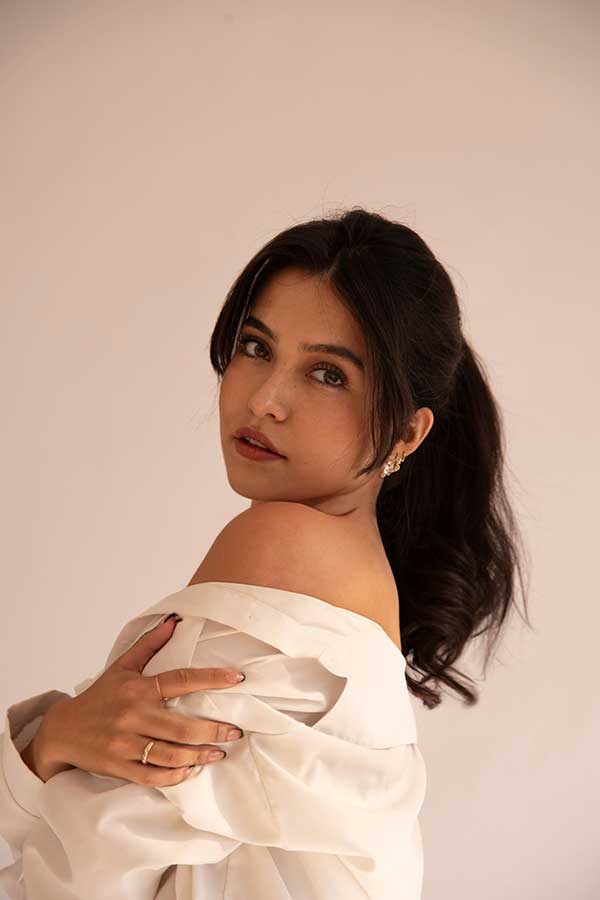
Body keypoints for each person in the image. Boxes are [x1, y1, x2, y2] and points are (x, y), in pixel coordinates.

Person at [0, 207, 529, 898]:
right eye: (256, 347)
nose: (266, 400)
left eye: (327, 374)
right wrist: (57, 738)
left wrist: (49, 743)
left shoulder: (282, 543)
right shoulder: (355, 578)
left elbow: (84, 870)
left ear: (406, 432)